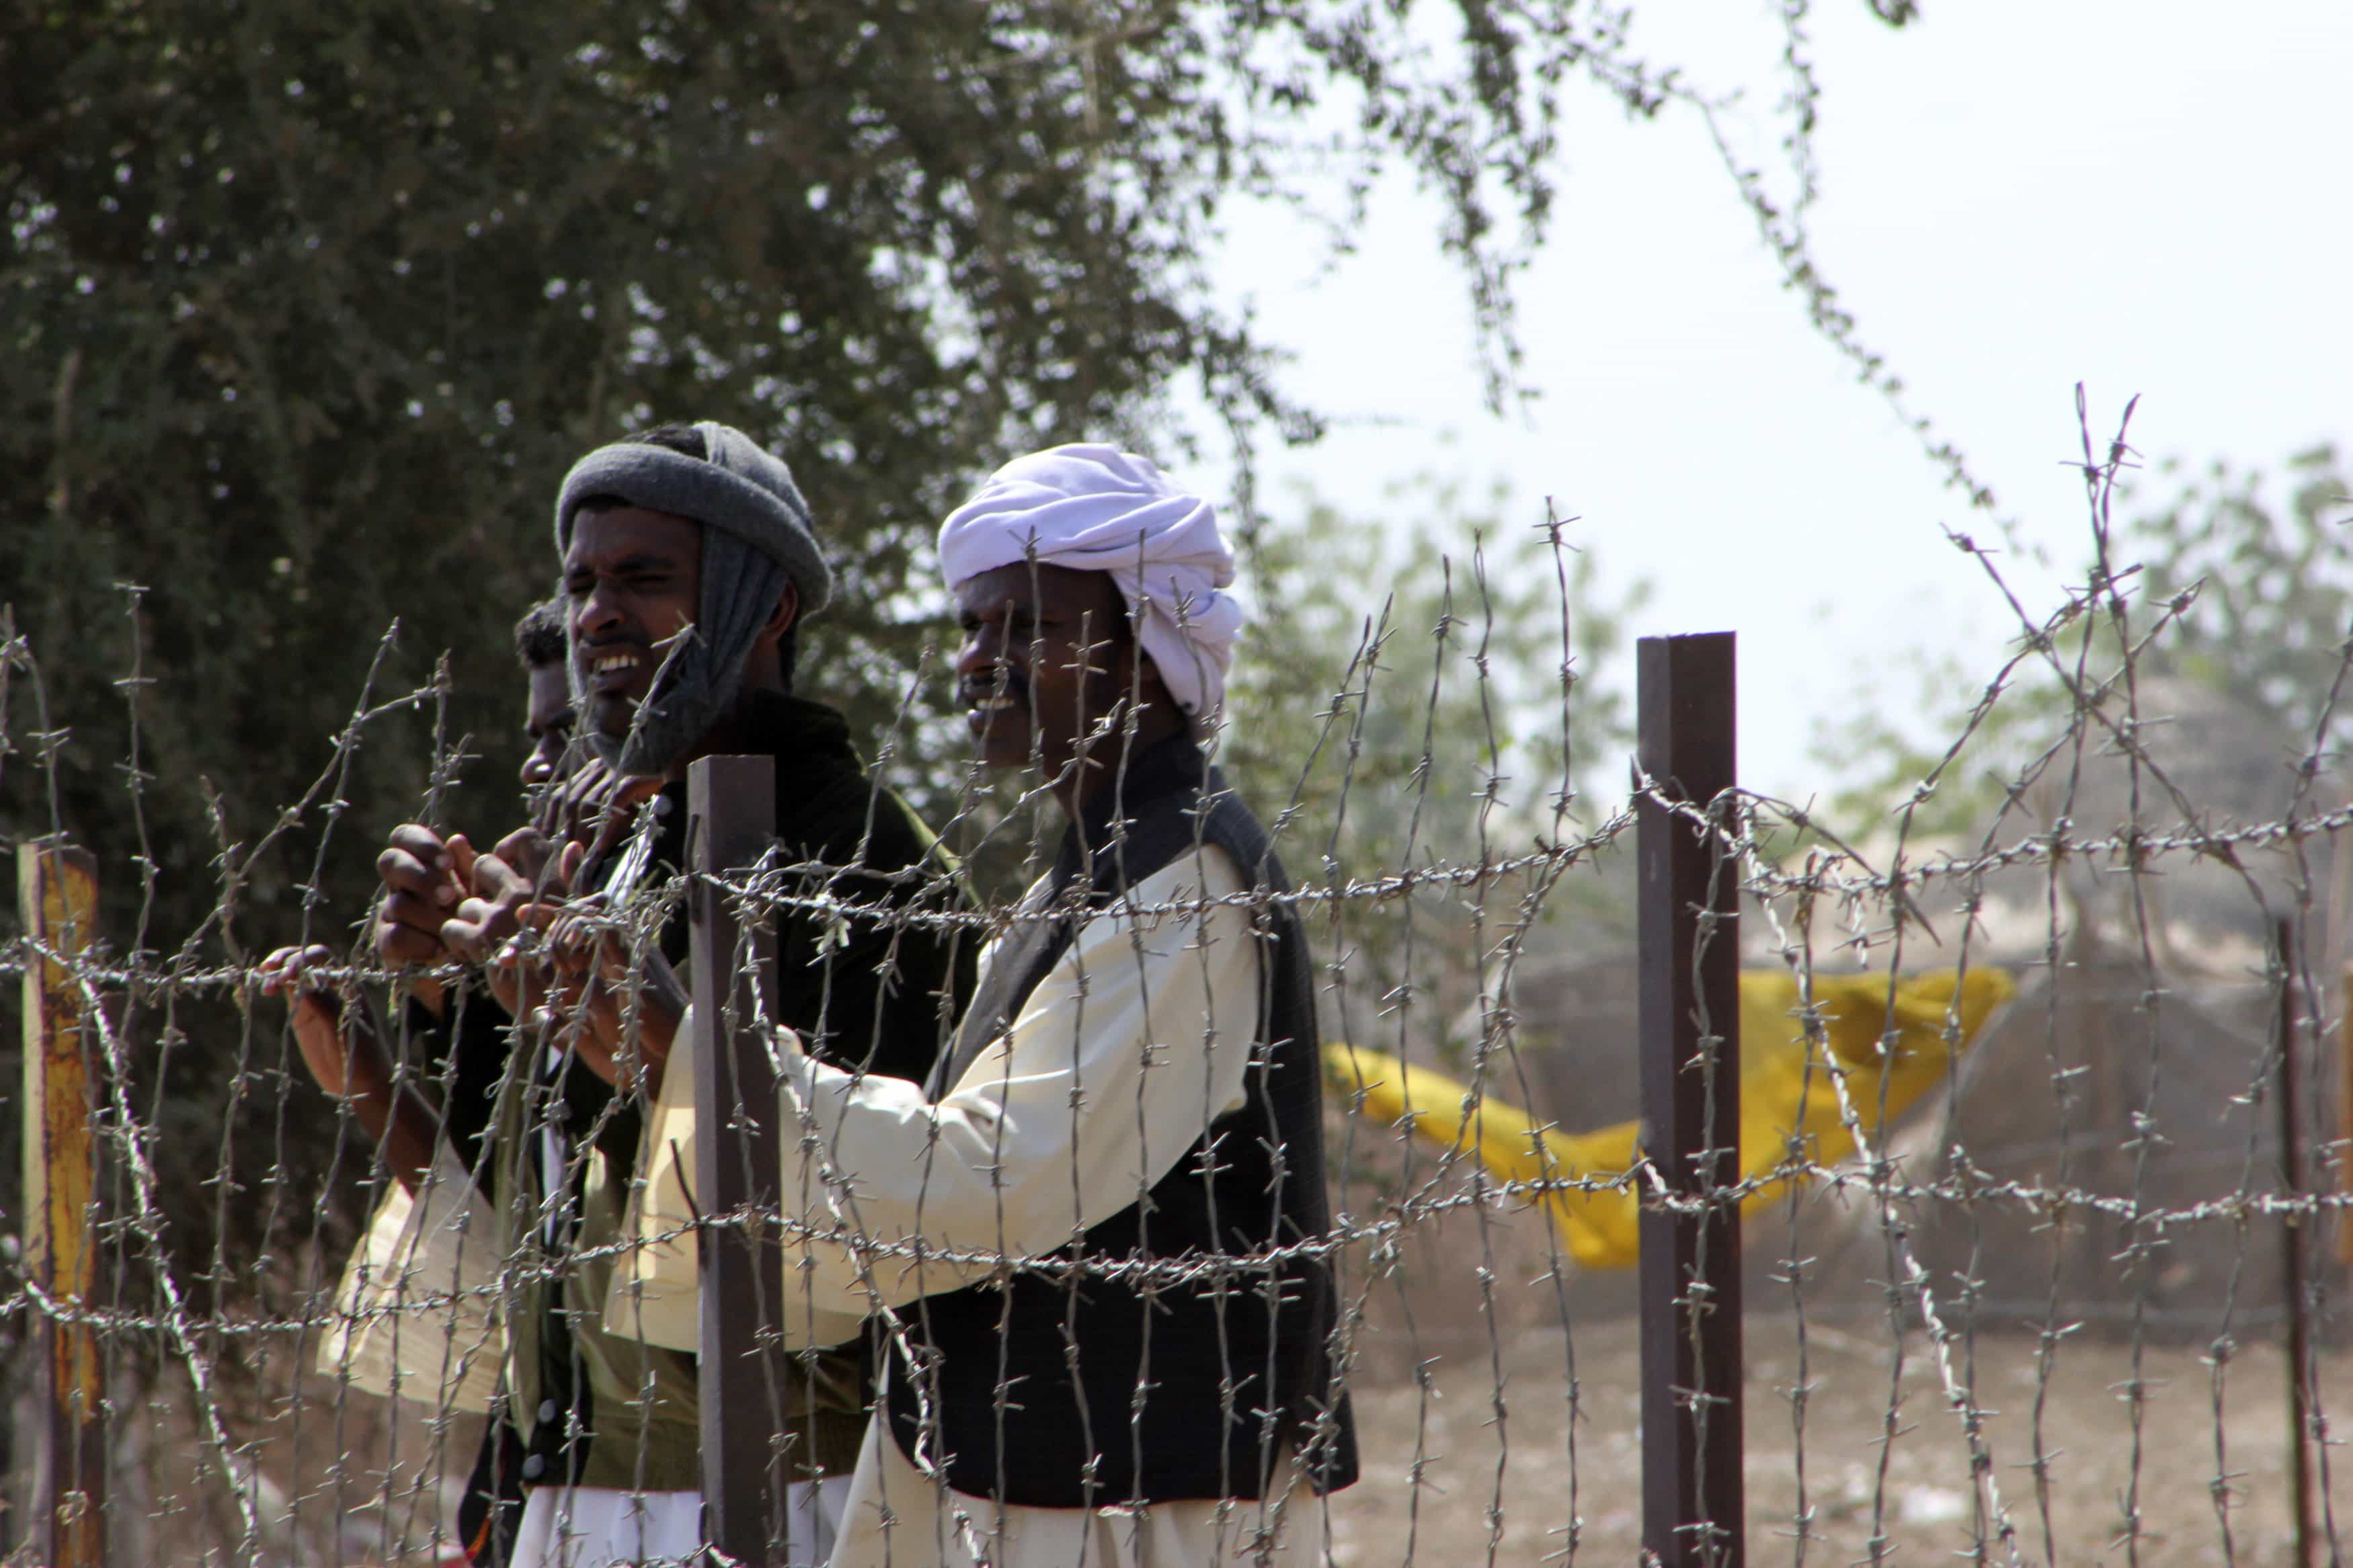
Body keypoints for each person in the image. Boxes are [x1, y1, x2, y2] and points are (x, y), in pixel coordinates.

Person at [285, 423, 973, 1568]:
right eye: (583, 581)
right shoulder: (635, 850)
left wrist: (648, 1048)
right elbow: (554, 1207)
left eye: (645, 580)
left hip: (787, 1492)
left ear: (765, 606)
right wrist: (458, 999)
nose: (598, 615)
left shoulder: (855, 853)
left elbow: (855, 1218)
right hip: (584, 1488)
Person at [750, 444, 1359, 1566]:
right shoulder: (1083, 877)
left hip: (1140, 1507)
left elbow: (1002, 1179)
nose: (982, 662)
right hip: (1044, 1480)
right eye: (974, 629)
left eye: (1029, 627)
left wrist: (721, 1066)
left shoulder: (1187, 882)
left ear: (1144, 646)